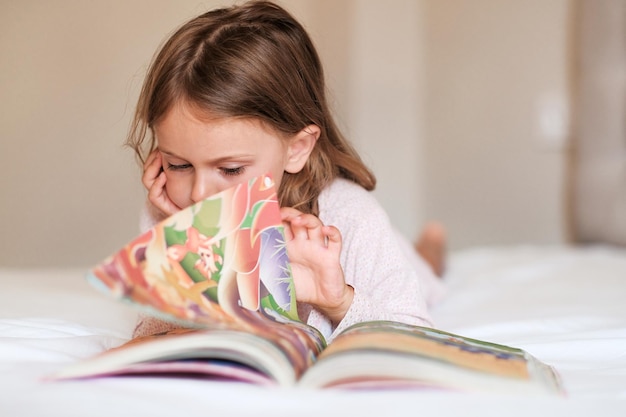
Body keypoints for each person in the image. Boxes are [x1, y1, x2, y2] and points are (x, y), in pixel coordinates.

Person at [126, 0, 445, 342]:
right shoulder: (172, 206)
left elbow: (416, 336)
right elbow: (152, 330)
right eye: (178, 164)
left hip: (390, 256)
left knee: (424, 272)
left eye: (231, 169)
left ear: (297, 149)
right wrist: (194, 243)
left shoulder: (350, 215)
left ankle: (431, 246)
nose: (198, 193)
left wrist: (338, 301)